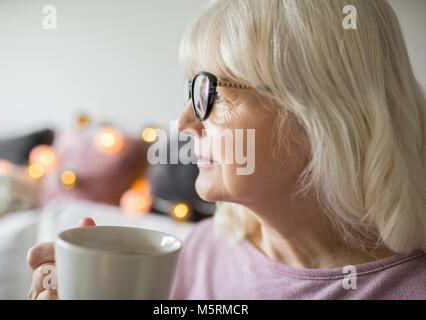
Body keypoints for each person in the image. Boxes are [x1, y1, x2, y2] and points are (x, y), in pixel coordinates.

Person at [27, 0, 426, 299]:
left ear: (320, 112)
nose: (184, 123)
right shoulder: (196, 255)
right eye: (193, 90)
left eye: (211, 91)